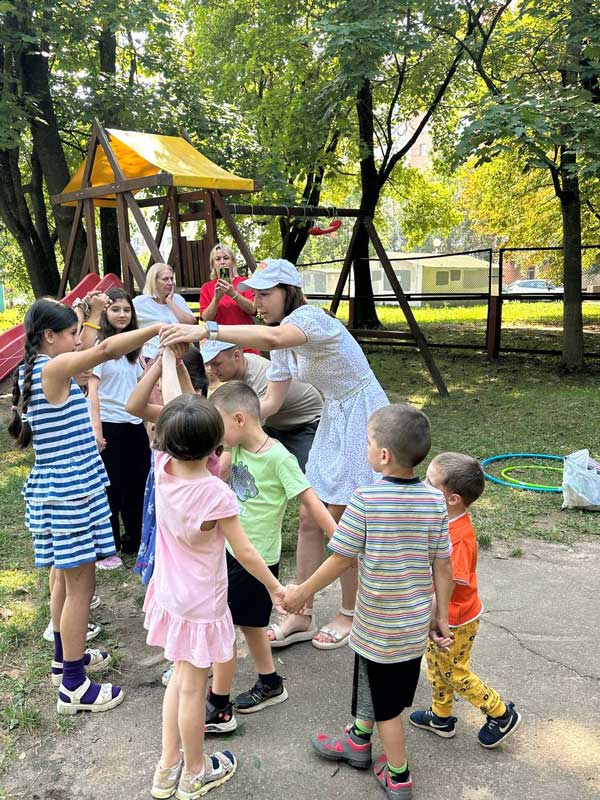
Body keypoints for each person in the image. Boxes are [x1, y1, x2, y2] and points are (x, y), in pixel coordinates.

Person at [160, 258, 389, 650]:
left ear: (288, 292)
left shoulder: (310, 319)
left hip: (362, 413)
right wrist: (227, 425)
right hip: (335, 415)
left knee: (343, 516)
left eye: (265, 294)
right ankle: (301, 612)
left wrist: (207, 328)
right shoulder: (280, 339)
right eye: (255, 295)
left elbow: (276, 339)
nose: (257, 303)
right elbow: (269, 403)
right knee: (309, 517)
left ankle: (350, 612)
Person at [283, 404, 454, 800]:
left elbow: (340, 558)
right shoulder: (434, 502)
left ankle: (398, 775)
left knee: (388, 706)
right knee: (372, 680)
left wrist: (302, 592)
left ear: (384, 455)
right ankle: (359, 740)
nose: (367, 449)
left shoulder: (365, 499)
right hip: (410, 624)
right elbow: (442, 564)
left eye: (368, 443)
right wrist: (441, 615)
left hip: (379, 624)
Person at [8, 298, 164, 714]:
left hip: (63, 490)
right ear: (49, 336)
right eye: (72, 334)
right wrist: (155, 330)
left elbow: (92, 344)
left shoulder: (33, 368)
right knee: (81, 587)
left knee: (64, 580)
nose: (79, 341)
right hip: (70, 494)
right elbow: (106, 348)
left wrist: (87, 315)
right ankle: (74, 687)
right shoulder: (51, 369)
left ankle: (65, 662)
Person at [143, 350, 285, 800]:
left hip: (170, 594)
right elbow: (245, 551)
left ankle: (167, 768)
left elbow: (173, 406)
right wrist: (276, 587)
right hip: (201, 602)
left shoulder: (162, 468)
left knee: (180, 680)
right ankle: (194, 771)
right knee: (192, 690)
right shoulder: (214, 493)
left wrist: (169, 361)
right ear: (215, 446)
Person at [205, 381, 336, 733]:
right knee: (251, 624)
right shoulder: (235, 448)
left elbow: (311, 501)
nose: (216, 434)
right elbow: (216, 476)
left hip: (257, 559)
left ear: (239, 419)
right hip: (232, 550)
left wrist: (341, 540)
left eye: (219, 425)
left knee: (225, 623)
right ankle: (270, 682)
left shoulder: (279, 458)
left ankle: (218, 703)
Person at [410, 452, 522, 749]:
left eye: (430, 482)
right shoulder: (442, 520)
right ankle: (441, 717)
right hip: (444, 614)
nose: (423, 485)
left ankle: (501, 713)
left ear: (453, 499)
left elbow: (448, 584)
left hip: (455, 619)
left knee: (454, 671)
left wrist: (433, 618)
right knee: (436, 665)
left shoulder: (458, 538)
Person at [87, 288, 150, 565]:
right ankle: (107, 546)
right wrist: (97, 430)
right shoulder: (101, 346)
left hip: (134, 425)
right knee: (112, 488)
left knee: (138, 485)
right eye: (115, 309)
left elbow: (141, 387)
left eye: (126, 310)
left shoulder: (133, 349)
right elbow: (93, 391)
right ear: (106, 313)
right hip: (109, 426)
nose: (122, 315)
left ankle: (134, 540)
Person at [201, 339, 322, 471]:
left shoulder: (258, 380)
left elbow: (244, 428)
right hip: (274, 421)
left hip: (303, 423)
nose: (210, 370)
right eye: (207, 364)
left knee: (308, 473)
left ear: (236, 355)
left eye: (216, 364)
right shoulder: (241, 364)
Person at [133, 262, 196, 362]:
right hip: (152, 356)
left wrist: (170, 302)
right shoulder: (140, 302)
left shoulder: (177, 299)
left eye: (172, 278)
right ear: (154, 281)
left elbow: (191, 323)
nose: (170, 282)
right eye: (165, 279)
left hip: (180, 354)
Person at [199, 244, 258, 344]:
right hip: (220, 343)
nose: (222, 262)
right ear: (213, 264)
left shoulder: (244, 282)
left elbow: (253, 310)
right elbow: (206, 319)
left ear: (233, 262)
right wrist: (216, 299)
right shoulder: (206, 287)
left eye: (226, 258)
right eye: (218, 259)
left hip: (246, 341)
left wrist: (233, 294)